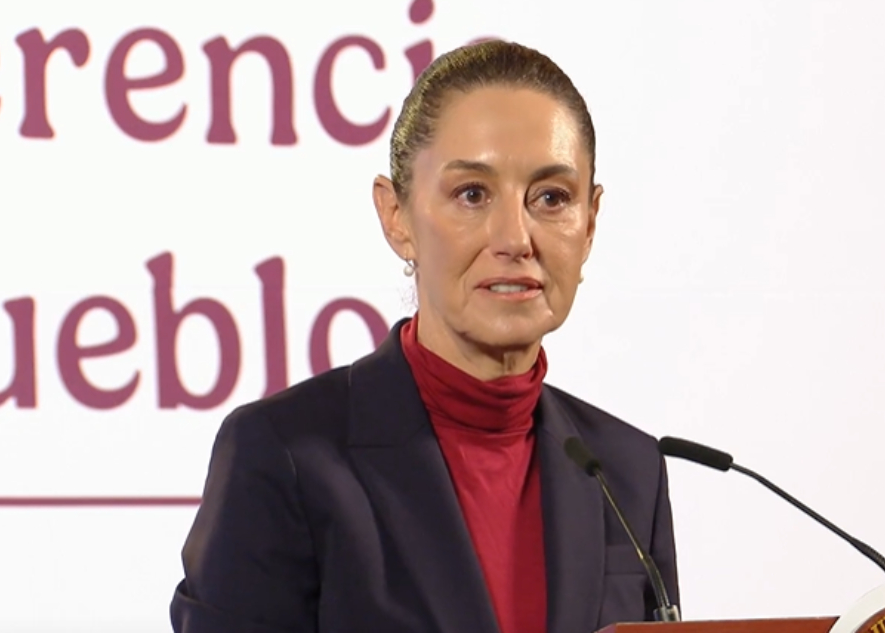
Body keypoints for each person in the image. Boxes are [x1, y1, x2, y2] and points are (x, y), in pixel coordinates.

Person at [168, 40, 680, 633]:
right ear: (397, 218)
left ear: (589, 224)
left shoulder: (628, 471)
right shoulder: (283, 455)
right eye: (471, 194)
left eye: (551, 198)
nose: (515, 238)